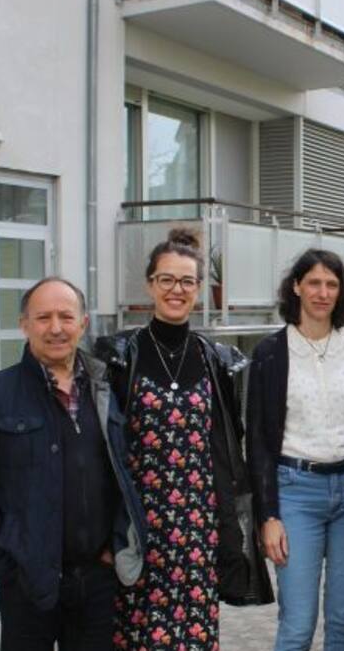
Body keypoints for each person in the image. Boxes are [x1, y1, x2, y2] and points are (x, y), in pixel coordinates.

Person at [94, 228, 273, 651]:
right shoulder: (118, 356)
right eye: (167, 279)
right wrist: (104, 532)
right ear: (149, 284)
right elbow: (101, 449)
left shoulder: (217, 361)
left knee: (194, 637)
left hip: (197, 526)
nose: (177, 290)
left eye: (187, 281)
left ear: (199, 289)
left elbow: (230, 446)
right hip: (139, 524)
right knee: (136, 635)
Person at [0, 277, 145, 650]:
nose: (56, 328)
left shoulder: (107, 389)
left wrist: (115, 547)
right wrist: (7, 558)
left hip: (98, 580)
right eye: (43, 318)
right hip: (27, 583)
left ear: (83, 323)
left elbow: (125, 472)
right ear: (24, 325)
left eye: (66, 317)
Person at [246, 249, 344, 650]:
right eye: (314, 283)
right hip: (296, 492)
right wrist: (268, 515)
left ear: (342, 291)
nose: (322, 293)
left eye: (331, 284)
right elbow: (258, 440)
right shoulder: (271, 352)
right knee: (297, 624)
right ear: (296, 287)